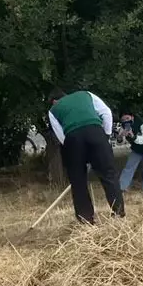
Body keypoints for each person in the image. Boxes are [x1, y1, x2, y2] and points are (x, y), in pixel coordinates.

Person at [48, 89, 125, 224]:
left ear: (56, 101)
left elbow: (61, 135)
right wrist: (105, 136)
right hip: (95, 132)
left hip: (72, 137)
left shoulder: (53, 110)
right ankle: (119, 214)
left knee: (78, 181)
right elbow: (106, 113)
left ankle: (86, 220)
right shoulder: (86, 95)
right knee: (109, 174)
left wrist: (73, 149)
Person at [118, 111, 143, 194]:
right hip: (137, 149)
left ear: (132, 117)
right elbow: (120, 142)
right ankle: (121, 188)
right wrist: (120, 136)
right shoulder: (123, 126)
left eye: (127, 118)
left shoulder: (142, 123)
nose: (126, 121)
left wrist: (133, 137)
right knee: (129, 167)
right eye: (123, 120)